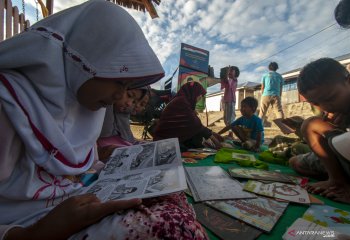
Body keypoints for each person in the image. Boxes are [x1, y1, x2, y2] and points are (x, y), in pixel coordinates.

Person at [0, 1, 208, 240]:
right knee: (171, 226)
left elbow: (83, 168)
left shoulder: (84, 105)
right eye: (119, 81)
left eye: (128, 87)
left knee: (170, 194)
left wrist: (122, 169)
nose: (120, 97)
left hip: (78, 201)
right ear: (86, 58)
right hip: (28, 228)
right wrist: (35, 233)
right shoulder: (8, 104)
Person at [296, 58, 350, 205]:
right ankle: (337, 181)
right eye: (317, 103)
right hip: (347, 157)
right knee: (296, 160)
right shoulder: (337, 108)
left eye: (331, 98)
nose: (325, 107)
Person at [153, 81, 223, 150]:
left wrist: (212, 134)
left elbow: (195, 125)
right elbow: (196, 125)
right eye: (200, 95)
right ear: (194, 93)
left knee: (196, 136)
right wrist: (217, 142)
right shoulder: (182, 102)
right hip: (164, 143)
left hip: (165, 140)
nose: (200, 98)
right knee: (197, 137)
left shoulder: (182, 100)